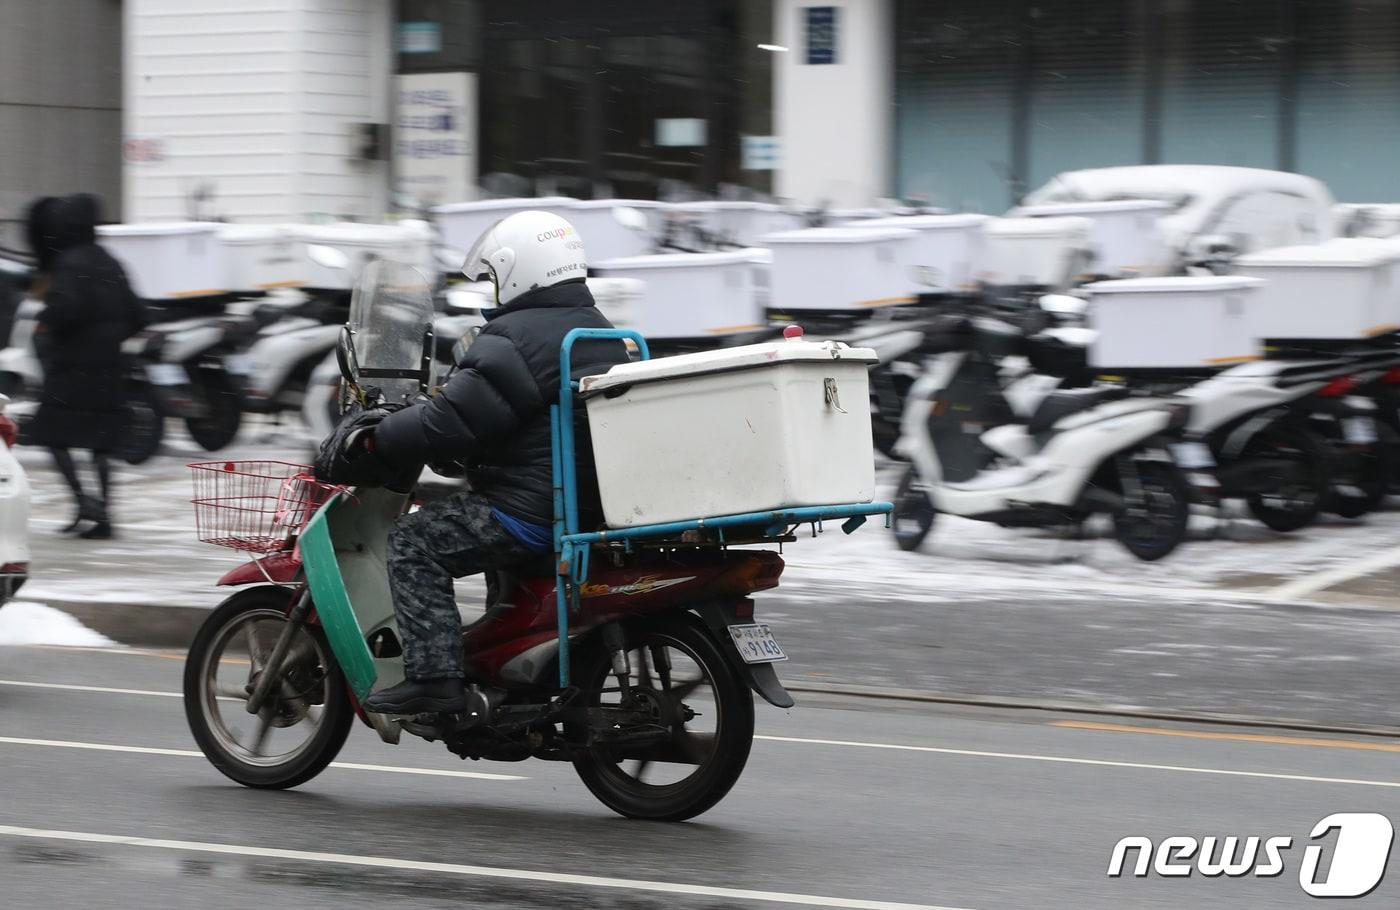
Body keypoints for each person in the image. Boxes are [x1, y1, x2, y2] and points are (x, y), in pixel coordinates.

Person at [317, 211, 629, 715]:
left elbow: (448, 422)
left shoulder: (515, 339)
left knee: (413, 542)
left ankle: (435, 679)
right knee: (462, 512)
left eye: (492, 277)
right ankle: (505, 677)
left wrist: (375, 440)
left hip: (528, 511)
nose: (492, 289)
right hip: (584, 503)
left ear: (517, 270)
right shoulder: (597, 329)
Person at [24, 194, 148, 539]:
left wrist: (45, 322)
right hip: (108, 366)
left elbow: (67, 307)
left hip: (70, 367)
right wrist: (110, 338)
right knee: (101, 444)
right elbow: (138, 313)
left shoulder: (69, 262)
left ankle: (83, 502)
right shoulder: (110, 260)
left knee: (53, 437)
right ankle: (103, 514)